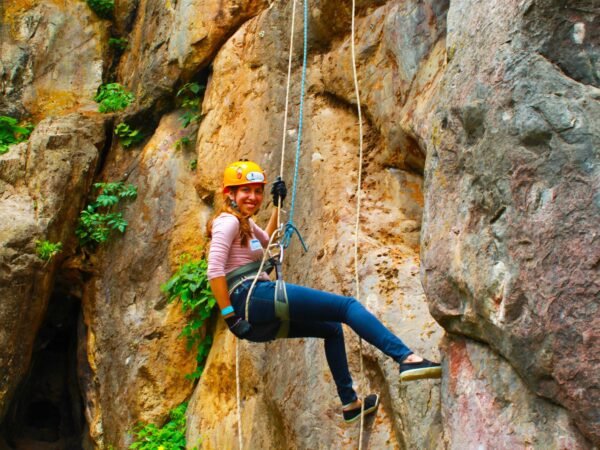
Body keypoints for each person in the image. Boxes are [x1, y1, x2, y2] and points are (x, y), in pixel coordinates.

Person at [207, 160, 441, 423]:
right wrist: (230, 317)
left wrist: (277, 204)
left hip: (254, 310)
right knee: (346, 307)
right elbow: (214, 270)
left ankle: (350, 404)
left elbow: (267, 240)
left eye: (257, 191)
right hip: (250, 297)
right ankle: (406, 357)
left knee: (331, 328)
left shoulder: (245, 223)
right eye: (246, 191)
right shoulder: (227, 222)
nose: (253, 197)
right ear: (230, 194)